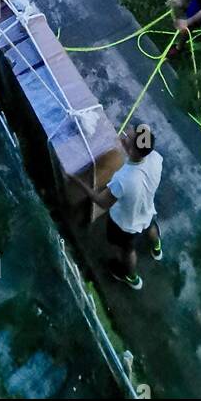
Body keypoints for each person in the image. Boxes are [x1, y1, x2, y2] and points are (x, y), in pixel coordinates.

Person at [74, 123, 164, 291]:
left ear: (133, 150)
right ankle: (156, 247)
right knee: (150, 226)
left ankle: (131, 276)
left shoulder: (123, 179)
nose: (126, 133)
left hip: (126, 224)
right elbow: (142, 145)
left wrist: (80, 182)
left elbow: (101, 202)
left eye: (128, 137)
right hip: (147, 209)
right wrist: (130, 146)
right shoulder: (156, 159)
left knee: (126, 250)